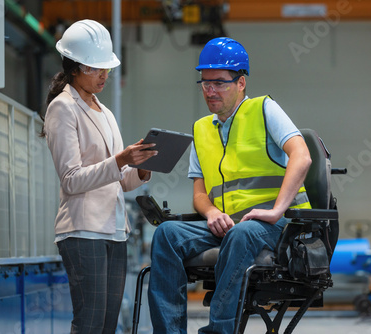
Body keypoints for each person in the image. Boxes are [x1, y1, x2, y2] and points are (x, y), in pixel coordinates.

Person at [147, 37, 313, 333]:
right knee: (166, 234)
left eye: (220, 83)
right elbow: (199, 193)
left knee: (243, 233)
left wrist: (275, 211)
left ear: (241, 83)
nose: (210, 91)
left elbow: (302, 157)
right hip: (229, 226)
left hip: (281, 225)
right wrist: (211, 213)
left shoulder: (264, 109)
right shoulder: (201, 130)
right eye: (205, 83)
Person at [41, 19, 157, 333]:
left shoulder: (104, 112)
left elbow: (121, 180)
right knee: (90, 322)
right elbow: (71, 179)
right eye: (96, 68)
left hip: (114, 231)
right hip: (82, 231)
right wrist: (120, 159)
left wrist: (141, 168)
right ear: (75, 68)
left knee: (107, 324)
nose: (104, 74)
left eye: (106, 67)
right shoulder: (63, 108)